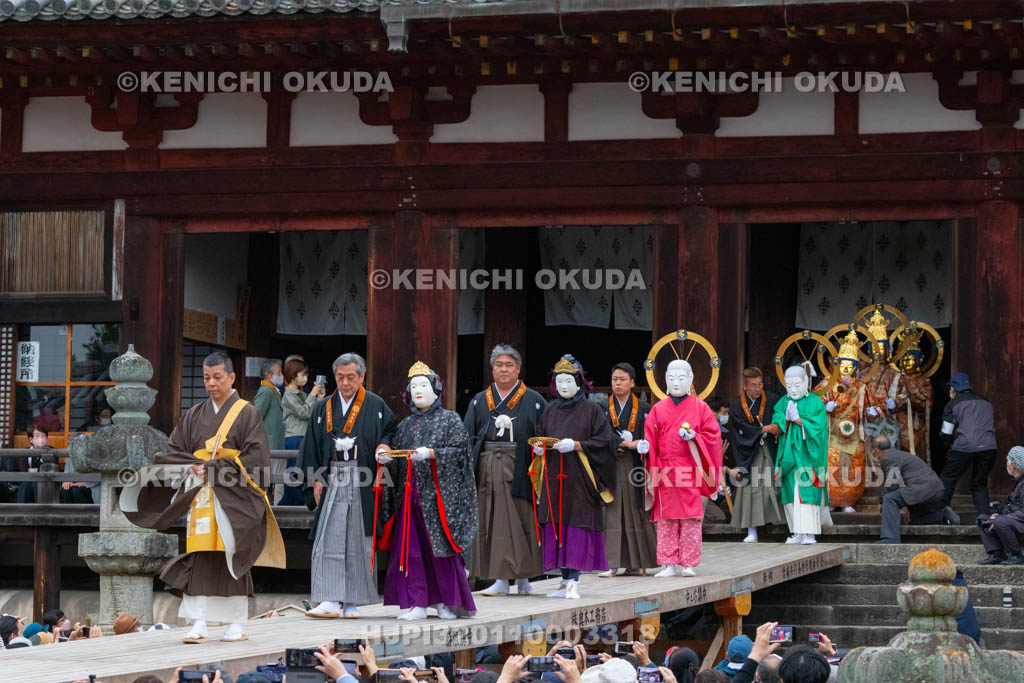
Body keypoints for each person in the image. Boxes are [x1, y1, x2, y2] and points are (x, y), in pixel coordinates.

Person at [120, 351, 285, 644]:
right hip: (201, 494)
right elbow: (174, 450)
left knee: (233, 553)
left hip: (234, 497)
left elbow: (257, 458)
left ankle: (236, 623)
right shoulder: (194, 414)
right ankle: (199, 621)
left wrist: (216, 468)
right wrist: (192, 466)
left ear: (232, 378)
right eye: (207, 378)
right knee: (200, 555)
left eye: (217, 377)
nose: (211, 383)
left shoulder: (247, 413)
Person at [376, 361, 478, 620]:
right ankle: (417, 602)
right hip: (410, 497)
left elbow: (461, 454)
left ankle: (444, 602)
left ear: (436, 389)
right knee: (412, 551)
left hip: (440, 499)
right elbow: (398, 459)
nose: (418, 390)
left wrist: (432, 454)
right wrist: (387, 459)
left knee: (440, 552)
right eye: (413, 387)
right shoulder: (405, 425)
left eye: (423, 385)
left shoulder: (450, 419)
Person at [298, 352, 396, 619]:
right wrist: (315, 478)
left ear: (362, 376)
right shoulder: (323, 407)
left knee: (359, 540)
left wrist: (384, 446)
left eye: (351, 377)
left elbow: (390, 432)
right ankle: (329, 599)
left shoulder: (375, 405)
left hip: (363, 477)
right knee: (329, 537)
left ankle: (353, 602)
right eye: (340, 377)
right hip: (331, 476)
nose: (345, 383)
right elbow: (311, 444)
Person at [463, 344, 547, 596]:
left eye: (509, 365)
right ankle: (500, 578)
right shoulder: (479, 400)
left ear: (518, 369)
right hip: (488, 465)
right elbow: (468, 436)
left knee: (522, 520)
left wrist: (540, 449)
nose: (504, 369)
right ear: (492, 369)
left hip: (521, 465)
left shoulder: (534, 400)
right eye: (499, 365)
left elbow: (545, 432)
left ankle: (524, 579)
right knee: (493, 521)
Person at [530, 354, 616, 598]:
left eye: (568, 381)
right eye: (559, 381)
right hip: (554, 475)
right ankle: (564, 579)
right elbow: (541, 434)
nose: (563, 386)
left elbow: (605, 441)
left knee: (576, 524)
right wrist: (540, 448)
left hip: (579, 477)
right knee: (556, 524)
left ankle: (574, 580)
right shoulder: (550, 409)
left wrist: (577, 445)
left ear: (579, 383)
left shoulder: (592, 409)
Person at [641, 359, 721, 577]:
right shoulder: (658, 409)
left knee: (690, 518)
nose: (675, 382)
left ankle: (688, 563)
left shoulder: (701, 408)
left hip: (689, 468)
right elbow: (650, 438)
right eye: (671, 378)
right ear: (665, 381)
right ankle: (668, 564)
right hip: (665, 468)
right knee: (666, 518)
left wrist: (695, 437)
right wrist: (645, 448)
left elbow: (713, 437)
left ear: (691, 379)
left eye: (681, 378)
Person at [598, 362, 657, 577]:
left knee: (636, 509)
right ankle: (610, 563)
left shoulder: (644, 408)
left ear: (632, 383)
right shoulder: (602, 408)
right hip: (611, 463)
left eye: (622, 379)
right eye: (615, 379)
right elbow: (600, 434)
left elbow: (653, 435)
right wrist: (624, 443)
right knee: (611, 511)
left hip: (636, 464)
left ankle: (638, 562)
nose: (618, 383)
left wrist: (644, 444)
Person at [774, 365, 830, 544]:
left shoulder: (815, 403)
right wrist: (785, 420)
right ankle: (797, 532)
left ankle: (810, 534)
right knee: (791, 494)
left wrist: (799, 420)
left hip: (808, 456)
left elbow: (819, 429)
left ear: (806, 382)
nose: (793, 389)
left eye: (797, 385)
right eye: (789, 385)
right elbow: (776, 418)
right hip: (789, 455)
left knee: (807, 492)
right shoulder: (783, 402)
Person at [727, 368, 784, 543]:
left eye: (760, 384)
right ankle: (752, 531)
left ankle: (778, 524)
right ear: (745, 386)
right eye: (753, 385)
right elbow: (739, 427)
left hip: (769, 448)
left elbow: (780, 416)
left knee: (773, 485)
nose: (757, 388)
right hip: (749, 451)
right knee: (751, 489)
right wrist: (764, 429)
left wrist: (777, 427)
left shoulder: (772, 399)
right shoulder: (737, 404)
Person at [818, 330, 869, 513]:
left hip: (853, 431)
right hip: (832, 430)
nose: (846, 369)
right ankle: (832, 500)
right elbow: (814, 403)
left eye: (850, 365)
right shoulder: (826, 384)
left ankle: (848, 501)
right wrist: (824, 406)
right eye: (843, 364)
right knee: (833, 465)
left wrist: (872, 411)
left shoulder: (861, 386)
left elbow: (872, 408)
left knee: (853, 466)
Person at [873, 435, 958, 544]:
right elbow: (898, 482)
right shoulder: (899, 455)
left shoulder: (889, 458)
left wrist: (882, 501)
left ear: (876, 450)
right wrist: (904, 505)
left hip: (921, 489)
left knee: (889, 498)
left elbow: (892, 483)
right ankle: (943, 515)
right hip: (935, 490)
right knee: (911, 520)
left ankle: (890, 538)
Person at [938, 372, 997, 517]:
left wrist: (948, 444)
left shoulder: (953, 404)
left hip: (964, 446)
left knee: (948, 479)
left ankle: (940, 515)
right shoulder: (986, 402)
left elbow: (946, 432)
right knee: (979, 483)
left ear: (952, 389)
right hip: (989, 447)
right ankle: (985, 518)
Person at [280, 358, 326, 506]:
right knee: (294, 472)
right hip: (294, 436)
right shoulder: (288, 395)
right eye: (303, 374)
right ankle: (289, 503)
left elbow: (313, 413)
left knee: (301, 471)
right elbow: (304, 412)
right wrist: (312, 395)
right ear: (293, 376)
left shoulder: (300, 394)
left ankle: (298, 501)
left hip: (302, 435)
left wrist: (319, 399)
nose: (305, 378)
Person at [977, 445, 1024, 565]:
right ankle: (997, 553)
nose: (1006, 463)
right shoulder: (1018, 482)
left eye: (1008, 460)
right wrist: (1000, 516)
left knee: (999, 521)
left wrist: (1003, 518)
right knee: (982, 519)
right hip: (1013, 522)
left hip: (1020, 524)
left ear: (1013, 464)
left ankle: (1017, 555)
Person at [893, 327, 934, 461]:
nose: (906, 361)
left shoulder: (923, 380)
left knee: (915, 454)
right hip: (897, 422)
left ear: (918, 361)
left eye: (910, 358)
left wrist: (911, 399)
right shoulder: (897, 379)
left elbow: (927, 403)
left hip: (915, 423)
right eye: (904, 358)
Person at [253, 359, 286, 504]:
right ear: (268, 375)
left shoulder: (273, 391)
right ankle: (269, 507)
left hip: (275, 443)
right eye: (279, 372)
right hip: (270, 443)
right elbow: (256, 416)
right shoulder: (266, 391)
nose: (281, 375)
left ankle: (273, 506)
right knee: (270, 479)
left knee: (275, 479)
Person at [705, 396, 734, 525]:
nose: (726, 416)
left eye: (728, 413)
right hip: (704, 484)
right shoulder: (706, 431)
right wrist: (718, 456)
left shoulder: (719, 429)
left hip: (717, 479)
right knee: (719, 517)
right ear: (712, 411)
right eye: (724, 413)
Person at [16, 425, 51, 504]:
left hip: (46, 481)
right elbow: (24, 470)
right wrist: (38, 470)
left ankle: (41, 509)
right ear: (31, 439)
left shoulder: (52, 450)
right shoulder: (25, 452)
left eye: (43, 436)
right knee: (25, 484)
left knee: (36, 483)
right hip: (28, 480)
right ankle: (20, 508)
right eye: (37, 436)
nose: (41, 439)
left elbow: (50, 469)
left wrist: (34, 470)